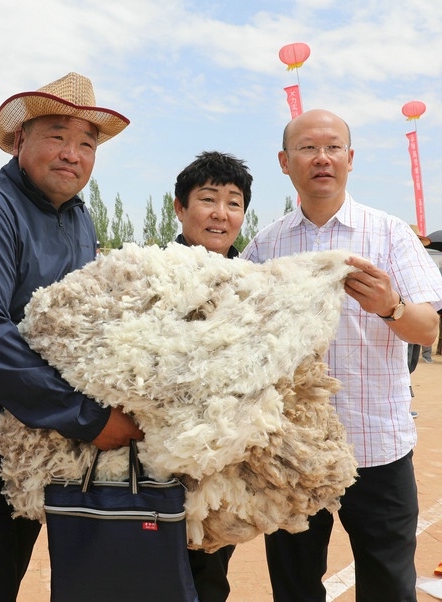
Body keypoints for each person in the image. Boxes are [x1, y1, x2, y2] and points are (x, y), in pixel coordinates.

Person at [0, 72, 142, 601]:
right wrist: (87, 417)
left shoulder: (78, 220)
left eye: (87, 143)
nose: (72, 154)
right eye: (57, 135)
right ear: (20, 140)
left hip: (37, 448)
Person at [242, 109, 442, 602]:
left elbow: (429, 330)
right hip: (292, 452)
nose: (322, 158)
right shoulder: (267, 244)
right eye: (307, 148)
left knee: (387, 584)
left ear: (350, 159)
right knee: (294, 586)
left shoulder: (389, 233)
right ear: (285, 162)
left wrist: (391, 306)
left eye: (333, 147)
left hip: (377, 445)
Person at [173, 150, 252, 601]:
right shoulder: (148, 276)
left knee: (209, 575)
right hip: (156, 464)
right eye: (208, 199)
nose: (221, 213)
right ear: (180, 208)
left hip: (222, 468)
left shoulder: (255, 284)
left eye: (233, 203)